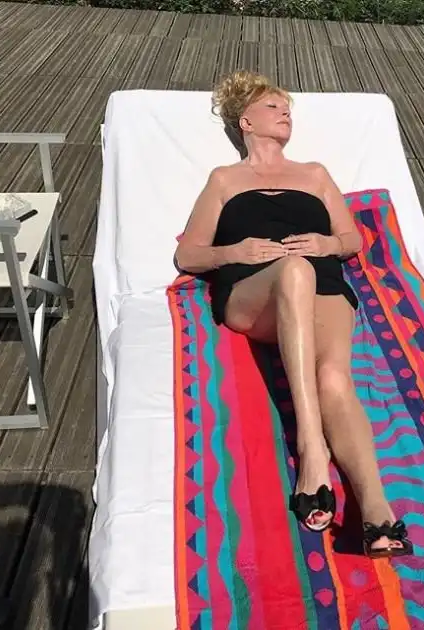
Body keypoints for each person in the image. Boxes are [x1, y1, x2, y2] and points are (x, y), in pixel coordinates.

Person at [175, 70, 411, 559]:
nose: (285, 112)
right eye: (273, 106)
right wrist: (234, 251)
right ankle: (311, 448)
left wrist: (328, 243)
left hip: (324, 286)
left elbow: (351, 239)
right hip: (253, 293)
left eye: (287, 108)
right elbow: (189, 255)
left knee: (336, 380)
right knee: (294, 271)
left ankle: (376, 510)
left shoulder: (315, 174)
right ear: (245, 121)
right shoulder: (224, 180)